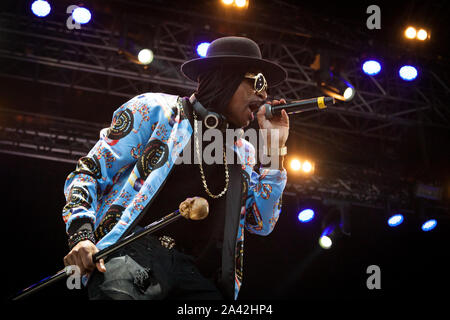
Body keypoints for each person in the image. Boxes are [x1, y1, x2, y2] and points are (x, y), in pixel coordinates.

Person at [62, 36, 290, 300]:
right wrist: (81, 235)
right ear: (226, 77)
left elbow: (261, 223)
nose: (265, 94)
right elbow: (89, 172)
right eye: (259, 82)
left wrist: (274, 148)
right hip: (134, 253)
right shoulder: (155, 110)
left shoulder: (244, 152)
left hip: (198, 275)